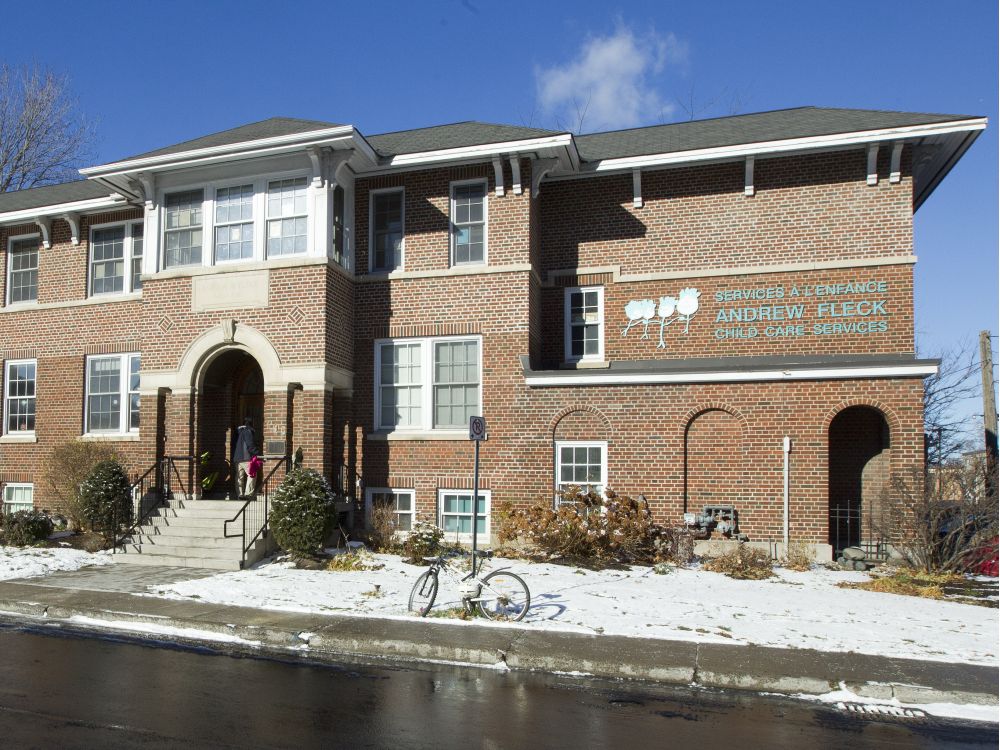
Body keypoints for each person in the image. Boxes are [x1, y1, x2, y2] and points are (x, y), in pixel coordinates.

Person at [233, 417, 259, 499]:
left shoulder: (237, 432)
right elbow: (250, 444)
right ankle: (248, 494)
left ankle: (240, 494)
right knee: (252, 474)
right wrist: (256, 453)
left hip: (237, 457)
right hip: (246, 457)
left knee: (239, 477)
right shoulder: (248, 431)